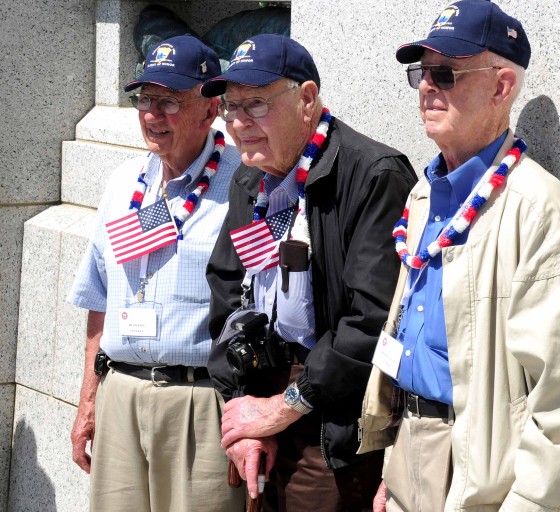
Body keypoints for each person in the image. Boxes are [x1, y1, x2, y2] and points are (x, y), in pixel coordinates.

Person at [358, 1, 560, 511]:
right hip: (411, 446)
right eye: (421, 73)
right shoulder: (423, 195)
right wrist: (396, 465)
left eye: (445, 72)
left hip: (478, 477)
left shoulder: (534, 209)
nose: (427, 86)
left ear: (502, 86)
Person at [201, 34, 417, 512]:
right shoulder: (248, 179)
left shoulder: (373, 174)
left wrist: (281, 409)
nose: (238, 123)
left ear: (307, 99)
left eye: (255, 104)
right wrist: (243, 412)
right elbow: (225, 297)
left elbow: (372, 323)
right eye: (229, 106)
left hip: (332, 421)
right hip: (263, 391)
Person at [68, 34, 244, 511]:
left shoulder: (245, 184)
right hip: (121, 395)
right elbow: (100, 299)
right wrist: (88, 401)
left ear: (211, 110)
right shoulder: (124, 182)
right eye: (145, 99)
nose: (151, 114)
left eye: (169, 101)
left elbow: (267, 305)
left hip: (202, 404)